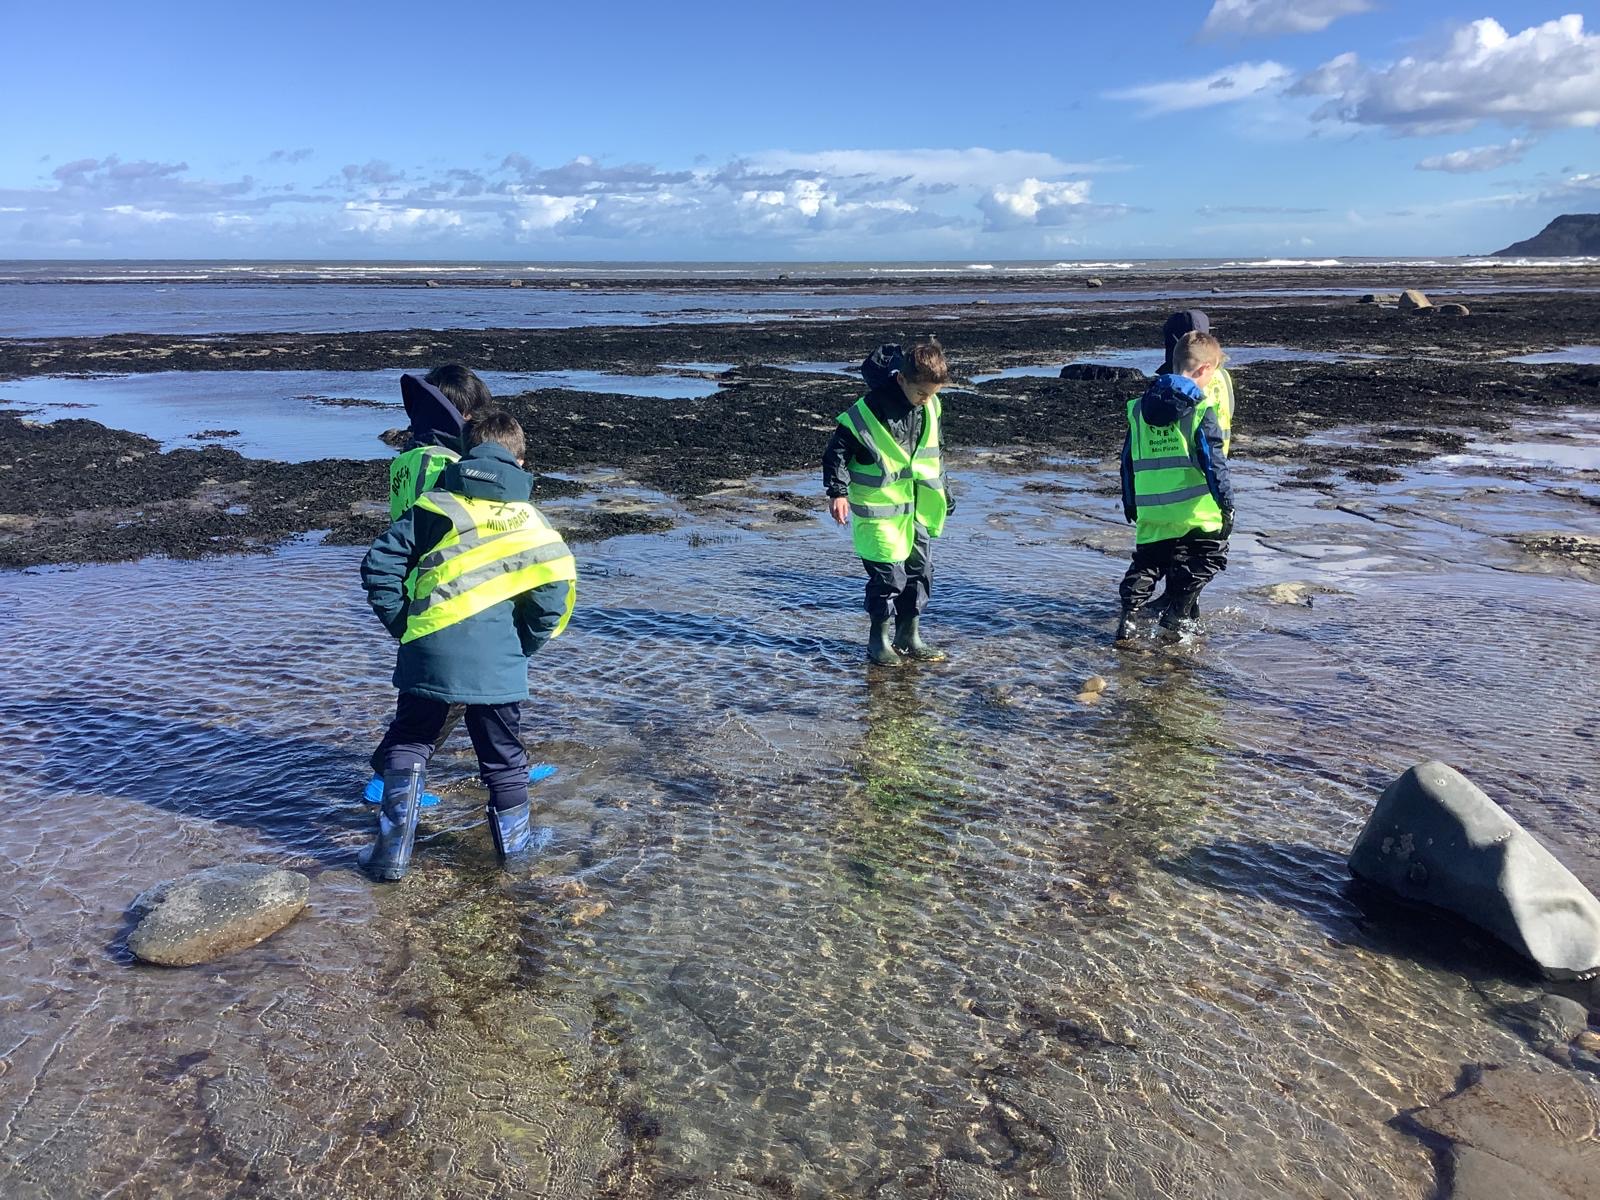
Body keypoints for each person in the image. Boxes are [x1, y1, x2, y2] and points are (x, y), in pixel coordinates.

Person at [358, 410, 577, 881]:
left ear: (465, 454)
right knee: (504, 759)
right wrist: (519, 649)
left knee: (411, 740)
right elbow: (552, 601)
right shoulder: (534, 524)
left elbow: (379, 566)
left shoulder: (437, 506)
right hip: (499, 662)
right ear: (521, 462)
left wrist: (405, 626)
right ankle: (516, 858)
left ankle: (390, 855)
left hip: (428, 652)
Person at [823, 341, 953, 665]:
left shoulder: (930, 406)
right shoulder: (868, 411)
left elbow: (935, 454)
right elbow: (836, 452)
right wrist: (837, 492)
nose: (927, 399)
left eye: (932, 394)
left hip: (916, 510)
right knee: (888, 578)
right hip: (879, 513)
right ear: (901, 379)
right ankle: (878, 642)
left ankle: (908, 636)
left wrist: (946, 493)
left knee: (920, 571)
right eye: (921, 393)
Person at [1116, 330, 1234, 644]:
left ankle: (1128, 621)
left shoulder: (1139, 410)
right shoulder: (1200, 409)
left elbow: (1127, 461)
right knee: (1208, 559)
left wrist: (1130, 502)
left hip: (1151, 511)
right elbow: (1213, 463)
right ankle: (1177, 616)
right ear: (1205, 369)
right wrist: (1227, 505)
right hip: (1195, 511)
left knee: (1146, 565)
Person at [1160, 311, 1235, 454]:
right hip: (1218, 455)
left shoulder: (1173, 383)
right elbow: (1229, 412)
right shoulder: (1223, 375)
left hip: (1187, 459)